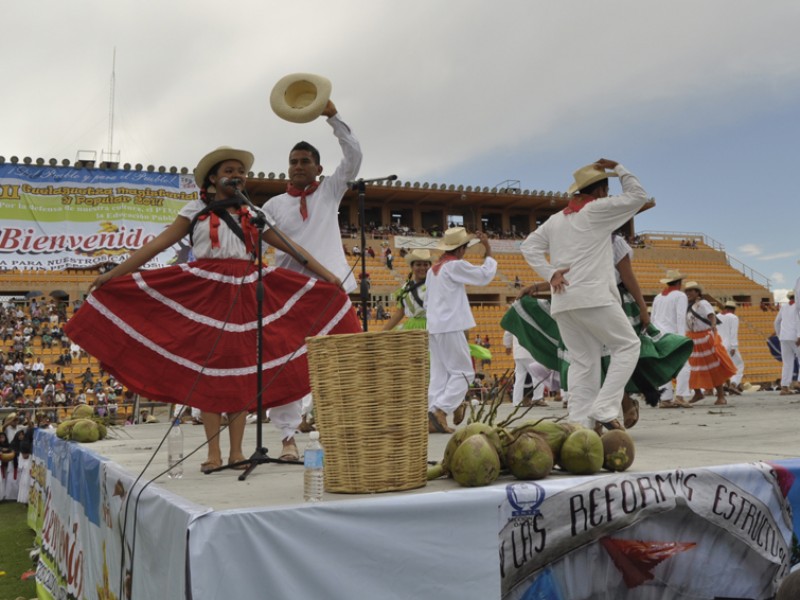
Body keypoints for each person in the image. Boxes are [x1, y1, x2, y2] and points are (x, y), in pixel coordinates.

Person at [64, 146, 360, 471]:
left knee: (238, 369)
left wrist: (329, 275)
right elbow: (157, 246)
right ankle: (213, 453)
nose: (236, 176)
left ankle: (237, 453)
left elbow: (292, 248)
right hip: (205, 292)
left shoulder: (254, 213)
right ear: (213, 178)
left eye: (240, 171)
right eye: (229, 171)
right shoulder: (195, 210)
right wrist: (113, 274)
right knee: (208, 370)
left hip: (246, 294)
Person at [521, 159, 647, 432]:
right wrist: (620, 168)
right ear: (601, 191)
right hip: (594, 297)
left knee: (584, 363)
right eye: (607, 190)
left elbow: (528, 246)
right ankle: (605, 408)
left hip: (563, 302)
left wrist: (550, 273)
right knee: (627, 346)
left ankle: (579, 426)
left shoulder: (556, 220)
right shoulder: (597, 210)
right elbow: (638, 196)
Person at [262, 98, 362, 440]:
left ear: (319, 168)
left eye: (305, 161)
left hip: (332, 291)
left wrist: (334, 117)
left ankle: (345, 427)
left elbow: (354, 158)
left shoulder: (330, 192)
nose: (298, 166)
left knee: (346, 359)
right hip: (290, 295)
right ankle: (287, 436)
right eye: (293, 162)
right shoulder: (273, 205)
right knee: (287, 364)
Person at [425, 227, 496, 433]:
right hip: (450, 324)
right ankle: (441, 409)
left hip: (434, 326)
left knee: (440, 374)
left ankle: (432, 415)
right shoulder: (454, 265)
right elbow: (483, 276)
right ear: (461, 249)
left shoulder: (433, 270)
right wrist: (488, 250)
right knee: (464, 373)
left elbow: (428, 300)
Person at [683, 281, 737, 405]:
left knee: (712, 366)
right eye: (687, 291)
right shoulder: (687, 305)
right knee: (691, 367)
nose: (688, 293)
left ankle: (721, 396)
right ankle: (697, 393)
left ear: (697, 292)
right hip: (691, 338)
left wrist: (713, 325)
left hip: (704, 338)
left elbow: (711, 315)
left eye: (691, 291)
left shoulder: (703, 303)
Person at [650, 269, 693, 408]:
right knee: (684, 365)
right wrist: (682, 337)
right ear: (679, 282)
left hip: (658, 334)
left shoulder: (658, 297)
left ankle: (665, 398)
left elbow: (652, 317)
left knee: (664, 367)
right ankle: (680, 396)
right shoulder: (680, 296)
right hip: (673, 335)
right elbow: (680, 317)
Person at [382, 249, 433, 332]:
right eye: (418, 264)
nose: (422, 268)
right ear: (412, 267)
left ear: (430, 267)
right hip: (411, 329)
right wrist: (383, 331)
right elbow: (400, 313)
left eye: (425, 264)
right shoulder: (406, 287)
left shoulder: (435, 286)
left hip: (430, 328)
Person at [774, 290, 800, 395]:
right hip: (795, 337)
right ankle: (799, 382)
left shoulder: (784, 307)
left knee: (787, 362)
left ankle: (784, 387)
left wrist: (779, 334)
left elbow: (776, 322)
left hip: (784, 337)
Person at [717, 300, 745, 392]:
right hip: (729, 345)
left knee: (723, 366)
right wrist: (734, 346)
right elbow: (733, 333)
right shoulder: (733, 317)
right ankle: (733, 384)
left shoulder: (717, 317)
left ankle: (724, 383)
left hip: (719, 344)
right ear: (733, 309)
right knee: (738, 365)